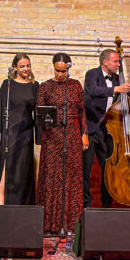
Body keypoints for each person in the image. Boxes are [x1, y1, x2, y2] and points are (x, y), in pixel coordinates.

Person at [35, 52, 88, 234]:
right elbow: (39, 113)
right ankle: (51, 224)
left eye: (63, 71)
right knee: (52, 178)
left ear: (68, 69)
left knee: (71, 177)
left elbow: (82, 111)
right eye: (57, 70)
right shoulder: (44, 87)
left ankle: (71, 223)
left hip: (72, 135)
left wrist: (84, 133)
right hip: (52, 137)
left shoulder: (75, 85)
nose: (60, 74)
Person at [83, 49, 130, 208]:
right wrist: (115, 89)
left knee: (107, 169)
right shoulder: (92, 74)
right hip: (90, 129)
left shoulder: (116, 79)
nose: (118, 64)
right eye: (115, 61)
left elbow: (129, 91)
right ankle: (86, 206)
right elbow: (93, 91)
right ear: (105, 62)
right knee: (86, 170)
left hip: (107, 130)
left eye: (118, 61)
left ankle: (106, 205)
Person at [0, 54, 39, 205]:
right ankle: (1, 205)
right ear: (15, 67)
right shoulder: (8, 84)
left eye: (28, 65)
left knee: (23, 171)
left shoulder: (35, 86)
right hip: (9, 133)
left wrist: (39, 137)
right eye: (22, 66)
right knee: (7, 168)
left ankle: (23, 206)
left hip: (26, 134)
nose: (26, 69)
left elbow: (37, 113)